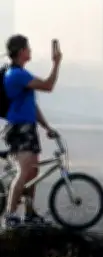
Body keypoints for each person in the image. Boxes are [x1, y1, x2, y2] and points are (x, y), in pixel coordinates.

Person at [3, 35, 62, 228]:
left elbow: (32, 106)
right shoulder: (16, 74)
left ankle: (29, 212)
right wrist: (56, 63)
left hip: (29, 127)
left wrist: (47, 127)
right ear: (21, 52)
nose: (31, 51)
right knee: (24, 171)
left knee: (33, 172)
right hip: (19, 128)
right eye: (28, 48)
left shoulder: (22, 74)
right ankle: (10, 215)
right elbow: (48, 85)